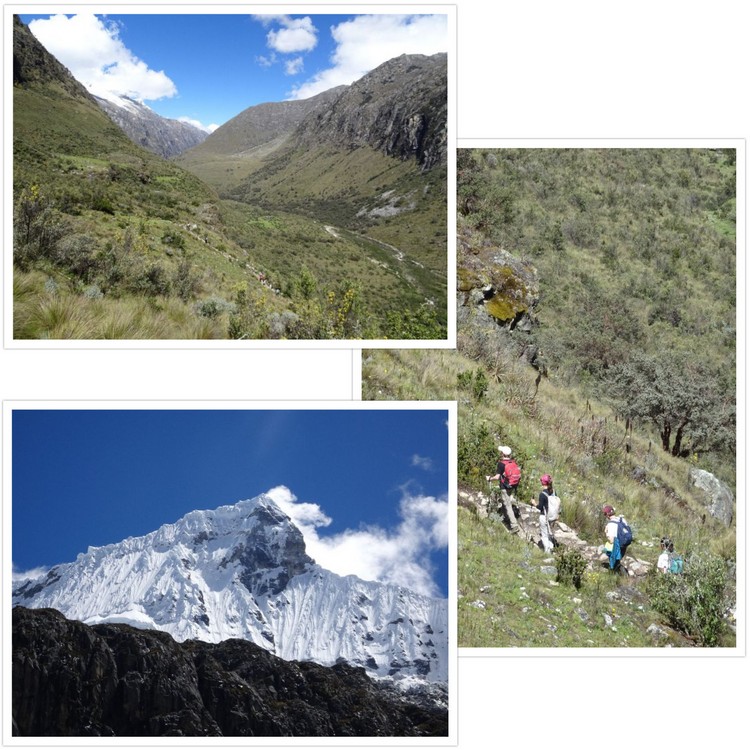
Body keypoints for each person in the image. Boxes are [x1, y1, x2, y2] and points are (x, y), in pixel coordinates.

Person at [485, 445, 520, 532]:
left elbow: (497, 477)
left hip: (505, 486)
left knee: (508, 505)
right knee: (505, 501)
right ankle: (505, 517)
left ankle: (514, 525)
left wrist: (490, 478)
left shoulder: (501, 464)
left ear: (502, 454)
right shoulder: (513, 462)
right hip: (512, 486)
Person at [598, 504, 631, 571]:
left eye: (605, 514)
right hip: (625, 542)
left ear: (607, 514)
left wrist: (606, 532)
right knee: (619, 558)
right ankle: (619, 570)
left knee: (613, 560)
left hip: (618, 544)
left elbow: (611, 540)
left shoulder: (610, 524)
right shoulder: (622, 519)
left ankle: (614, 572)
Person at [537, 474, 556, 553]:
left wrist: (534, 503)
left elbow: (540, 507)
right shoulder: (553, 492)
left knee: (544, 534)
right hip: (552, 516)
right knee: (549, 533)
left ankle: (547, 552)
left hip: (544, 516)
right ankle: (551, 547)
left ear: (542, 482)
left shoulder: (542, 494)